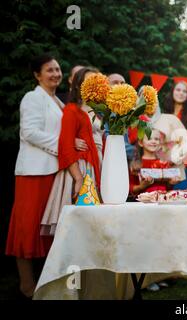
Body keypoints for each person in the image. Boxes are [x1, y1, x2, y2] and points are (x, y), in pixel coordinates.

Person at [5, 54, 85, 298]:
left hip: (55, 173)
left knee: (48, 228)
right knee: (27, 228)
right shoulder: (32, 98)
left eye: (58, 69)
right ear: (37, 75)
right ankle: (26, 285)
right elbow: (30, 133)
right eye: (49, 70)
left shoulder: (59, 102)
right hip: (34, 173)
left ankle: (46, 282)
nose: (55, 74)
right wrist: (66, 145)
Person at [40, 67, 103, 236]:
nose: (93, 84)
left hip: (97, 164)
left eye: (96, 81)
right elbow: (66, 146)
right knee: (78, 222)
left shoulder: (99, 110)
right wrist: (78, 178)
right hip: (81, 167)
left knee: (95, 224)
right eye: (88, 81)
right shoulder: (72, 109)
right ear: (78, 85)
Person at [161, 81, 187, 191]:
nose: (181, 93)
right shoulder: (164, 115)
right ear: (172, 92)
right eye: (178, 90)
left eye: (185, 91)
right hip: (167, 165)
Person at [129, 129, 180, 197]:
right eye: (149, 139)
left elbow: (168, 187)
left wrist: (171, 183)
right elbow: (130, 188)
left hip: (162, 201)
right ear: (141, 143)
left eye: (156, 139)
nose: (153, 142)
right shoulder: (135, 164)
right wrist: (141, 186)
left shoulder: (164, 162)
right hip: (144, 204)